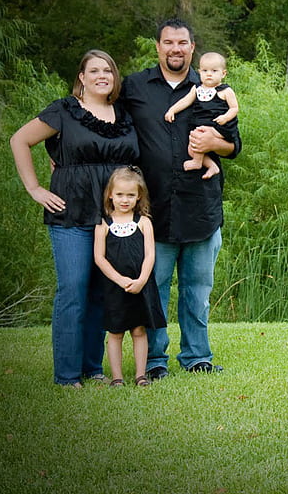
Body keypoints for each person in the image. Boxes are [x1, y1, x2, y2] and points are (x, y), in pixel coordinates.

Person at [120, 19, 241, 379]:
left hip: (200, 205)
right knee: (154, 288)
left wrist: (213, 145)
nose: (176, 48)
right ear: (157, 46)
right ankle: (155, 361)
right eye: (168, 42)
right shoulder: (136, 87)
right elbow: (106, 122)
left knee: (197, 289)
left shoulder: (213, 86)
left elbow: (234, 146)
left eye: (183, 43)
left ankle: (197, 356)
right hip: (150, 209)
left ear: (192, 47)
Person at [10, 49, 138, 387]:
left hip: (112, 217)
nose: (102, 76)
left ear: (114, 77)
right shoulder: (64, 111)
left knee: (101, 290)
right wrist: (35, 188)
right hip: (71, 212)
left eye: (108, 70)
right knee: (73, 289)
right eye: (94, 70)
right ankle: (67, 375)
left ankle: (91, 367)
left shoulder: (124, 114)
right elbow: (20, 140)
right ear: (81, 77)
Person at [94, 166, 167, 387]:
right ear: (110, 195)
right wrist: (120, 280)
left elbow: (150, 255)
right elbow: (99, 258)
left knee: (138, 329)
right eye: (120, 194)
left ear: (139, 196)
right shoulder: (103, 224)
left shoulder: (143, 222)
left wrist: (142, 280)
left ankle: (140, 375)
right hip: (115, 287)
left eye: (131, 195)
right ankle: (117, 377)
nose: (124, 200)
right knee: (115, 332)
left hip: (140, 286)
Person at [164, 51, 240, 179]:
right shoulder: (197, 88)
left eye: (214, 71)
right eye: (205, 71)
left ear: (223, 73)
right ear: (199, 72)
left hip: (220, 126)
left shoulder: (225, 91)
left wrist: (225, 117)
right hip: (202, 125)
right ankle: (210, 165)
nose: (209, 74)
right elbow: (186, 101)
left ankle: (198, 162)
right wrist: (172, 110)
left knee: (198, 138)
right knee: (192, 147)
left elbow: (234, 108)